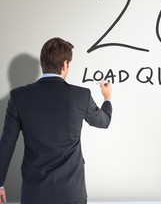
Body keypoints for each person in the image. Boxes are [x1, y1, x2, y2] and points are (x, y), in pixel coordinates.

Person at [0, 37, 113, 204]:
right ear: (65, 64)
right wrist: (107, 98)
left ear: (42, 62)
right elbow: (104, 122)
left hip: (34, 194)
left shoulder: (18, 97)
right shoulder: (81, 96)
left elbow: (6, 144)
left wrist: (0, 184)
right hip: (71, 193)